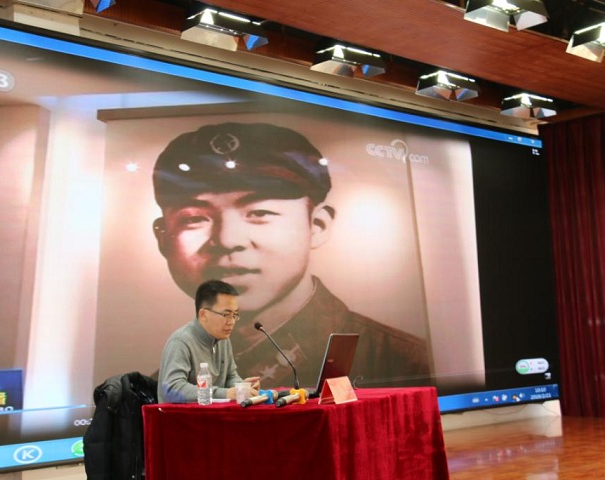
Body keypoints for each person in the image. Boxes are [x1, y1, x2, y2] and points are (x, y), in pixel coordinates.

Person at [152, 122, 433, 390]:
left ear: (317, 225)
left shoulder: (402, 363)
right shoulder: (167, 384)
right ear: (163, 238)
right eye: (194, 219)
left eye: (260, 213)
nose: (227, 240)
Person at [158, 279, 260, 403]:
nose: (232, 322)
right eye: (226, 315)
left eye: (234, 315)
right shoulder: (180, 341)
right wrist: (225, 393)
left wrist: (241, 388)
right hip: (181, 414)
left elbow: (230, 376)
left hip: (213, 412)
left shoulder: (223, 339)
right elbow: (172, 389)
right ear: (203, 315)